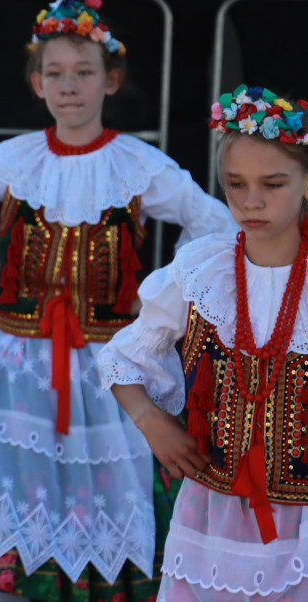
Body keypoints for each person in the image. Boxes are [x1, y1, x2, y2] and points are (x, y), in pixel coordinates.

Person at [0, 0, 235, 601]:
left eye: (84, 72)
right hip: (14, 363)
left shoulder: (138, 164)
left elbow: (214, 224)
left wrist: (155, 301)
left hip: (106, 365)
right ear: (37, 84)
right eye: (55, 73)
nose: (69, 86)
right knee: (17, 495)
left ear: (110, 81)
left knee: (103, 497)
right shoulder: (14, 159)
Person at [99, 84, 308, 600]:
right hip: (211, 514)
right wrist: (152, 423)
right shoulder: (201, 269)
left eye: (273, 184)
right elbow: (123, 359)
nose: (251, 200)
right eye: (235, 184)